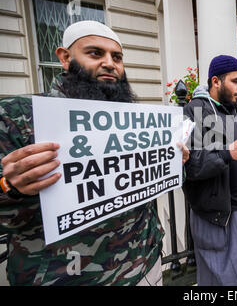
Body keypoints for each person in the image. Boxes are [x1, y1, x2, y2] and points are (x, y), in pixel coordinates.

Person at [0, 20, 189, 286]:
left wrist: (170, 163)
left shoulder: (136, 119)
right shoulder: (15, 116)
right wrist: (9, 185)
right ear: (65, 58)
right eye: (95, 53)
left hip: (146, 266)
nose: (110, 63)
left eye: (117, 57)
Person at [183, 55, 237, 286]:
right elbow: (191, 165)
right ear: (216, 81)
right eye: (235, 81)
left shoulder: (236, 112)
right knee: (225, 279)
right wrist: (227, 152)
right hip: (220, 215)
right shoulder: (193, 110)